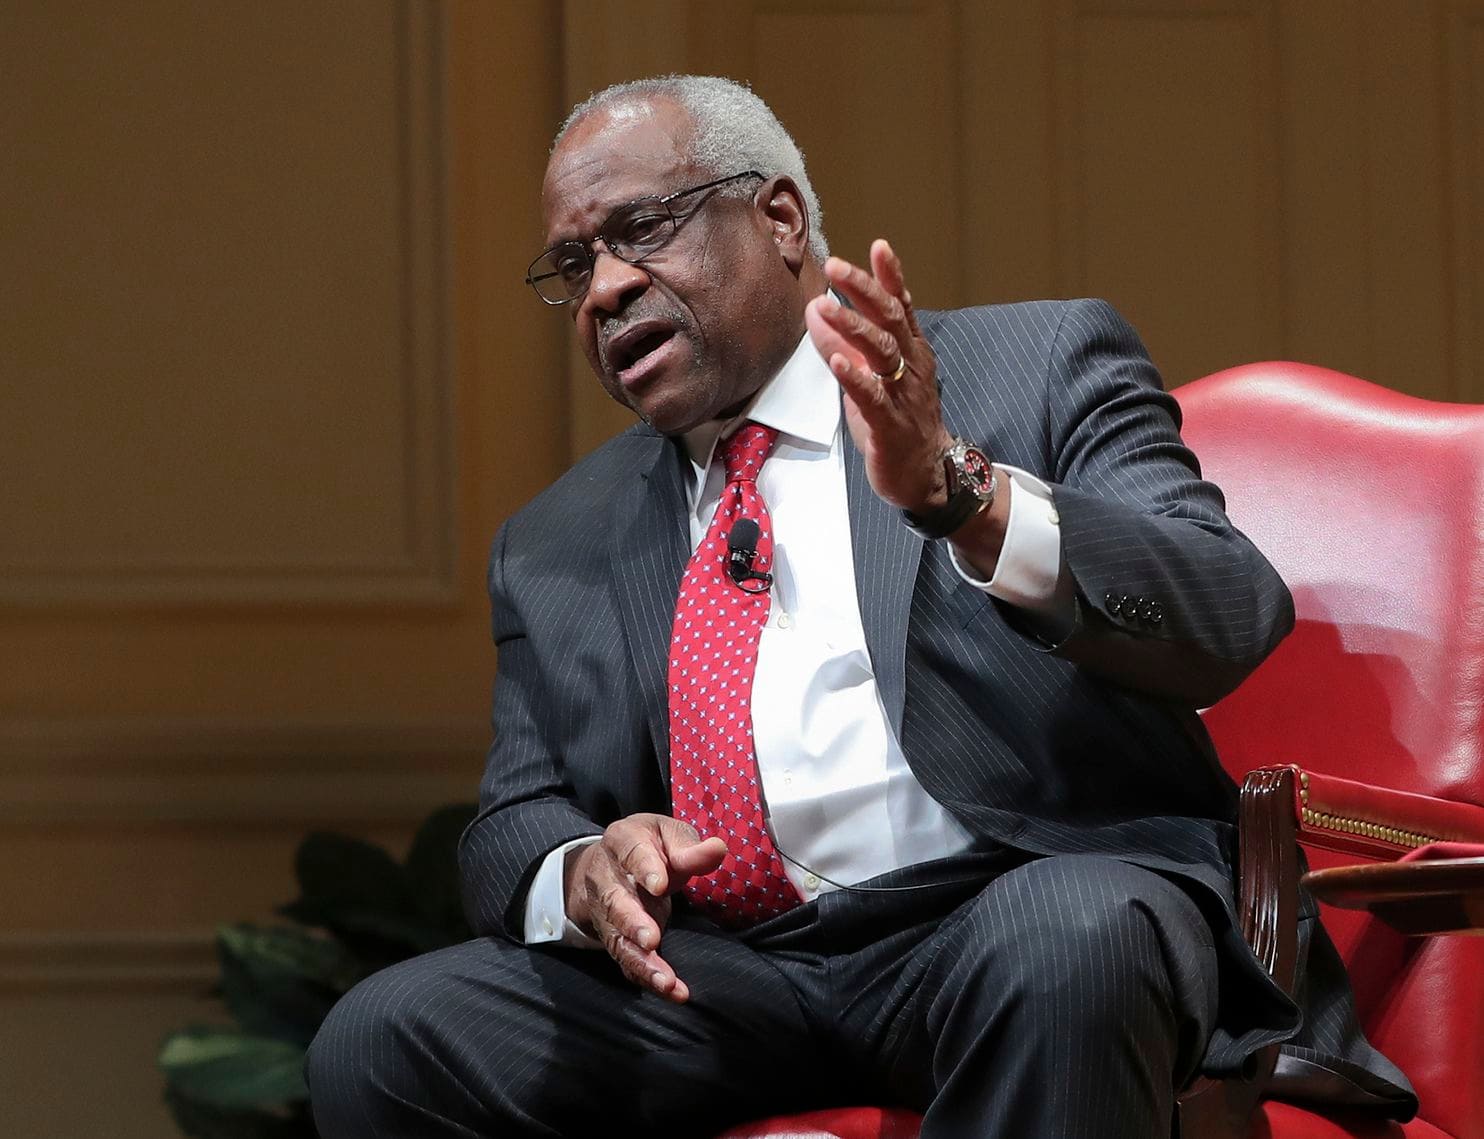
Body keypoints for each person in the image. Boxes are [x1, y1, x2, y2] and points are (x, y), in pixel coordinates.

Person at [307, 75, 1414, 1138]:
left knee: (1066, 937)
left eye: (641, 228)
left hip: (1004, 909)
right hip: (736, 975)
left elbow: (1225, 610)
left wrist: (959, 496)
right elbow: (512, 819)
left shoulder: (1030, 366)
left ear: (779, 217)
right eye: (572, 264)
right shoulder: (555, 540)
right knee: (386, 1039)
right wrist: (583, 863)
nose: (602, 289)